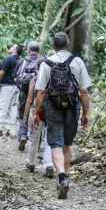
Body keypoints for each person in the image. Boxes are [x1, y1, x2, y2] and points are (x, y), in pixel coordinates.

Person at [33, 32, 91, 199]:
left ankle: (62, 178)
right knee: (66, 144)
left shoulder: (46, 63)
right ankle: (65, 177)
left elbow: (41, 91)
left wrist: (36, 113)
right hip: (73, 107)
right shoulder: (77, 61)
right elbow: (84, 91)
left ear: (53, 46)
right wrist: (85, 113)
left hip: (53, 107)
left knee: (56, 144)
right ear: (68, 44)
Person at [22, 58, 54, 178]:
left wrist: (25, 117)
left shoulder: (34, 80)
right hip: (51, 112)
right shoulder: (53, 80)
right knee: (49, 139)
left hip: (37, 112)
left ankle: (31, 163)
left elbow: (30, 100)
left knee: (34, 139)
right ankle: (49, 165)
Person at [0, 44, 23, 137]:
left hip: (7, 87)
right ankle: (11, 130)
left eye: (12, 47)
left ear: (15, 50)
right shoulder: (21, 60)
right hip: (17, 87)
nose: (10, 47)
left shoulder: (9, 59)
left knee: (3, 106)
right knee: (13, 107)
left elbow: (2, 72)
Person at [14, 41, 40, 151]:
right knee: (38, 114)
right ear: (38, 50)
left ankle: (23, 136)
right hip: (39, 92)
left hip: (24, 91)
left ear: (29, 50)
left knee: (22, 114)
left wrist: (20, 85)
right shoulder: (42, 61)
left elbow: (15, 77)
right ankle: (37, 142)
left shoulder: (21, 61)